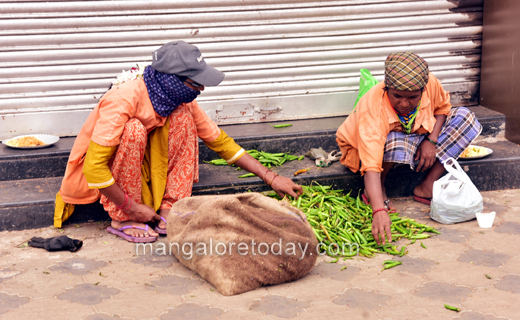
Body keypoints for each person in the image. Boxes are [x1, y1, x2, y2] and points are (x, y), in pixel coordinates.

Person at [54, 41, 303, 242]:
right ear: (172, 80)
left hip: (152, 166)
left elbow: (219, 142)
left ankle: (170, 206)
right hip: (109, 171)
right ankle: (122, 218)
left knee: (184, 117)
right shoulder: (123, 99)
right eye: (196, 83)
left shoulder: (179, 99)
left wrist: (271, 177)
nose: (202, 89)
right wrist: (130, 207)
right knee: (133, 130)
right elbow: (94, 168)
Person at [336, 52, 482, 245]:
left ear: (423, 89)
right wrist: (378, 211)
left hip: (417, 133)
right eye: (397, 96)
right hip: (367, 147)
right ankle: (376, 190)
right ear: (387, 88)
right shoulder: (374, 107)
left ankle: (427, 186)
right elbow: (371, 163)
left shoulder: (430, 83)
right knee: (393, 136)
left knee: (465, 117)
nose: (404, 104)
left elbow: (442, 109)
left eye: (413, 97)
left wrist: (431, 140)